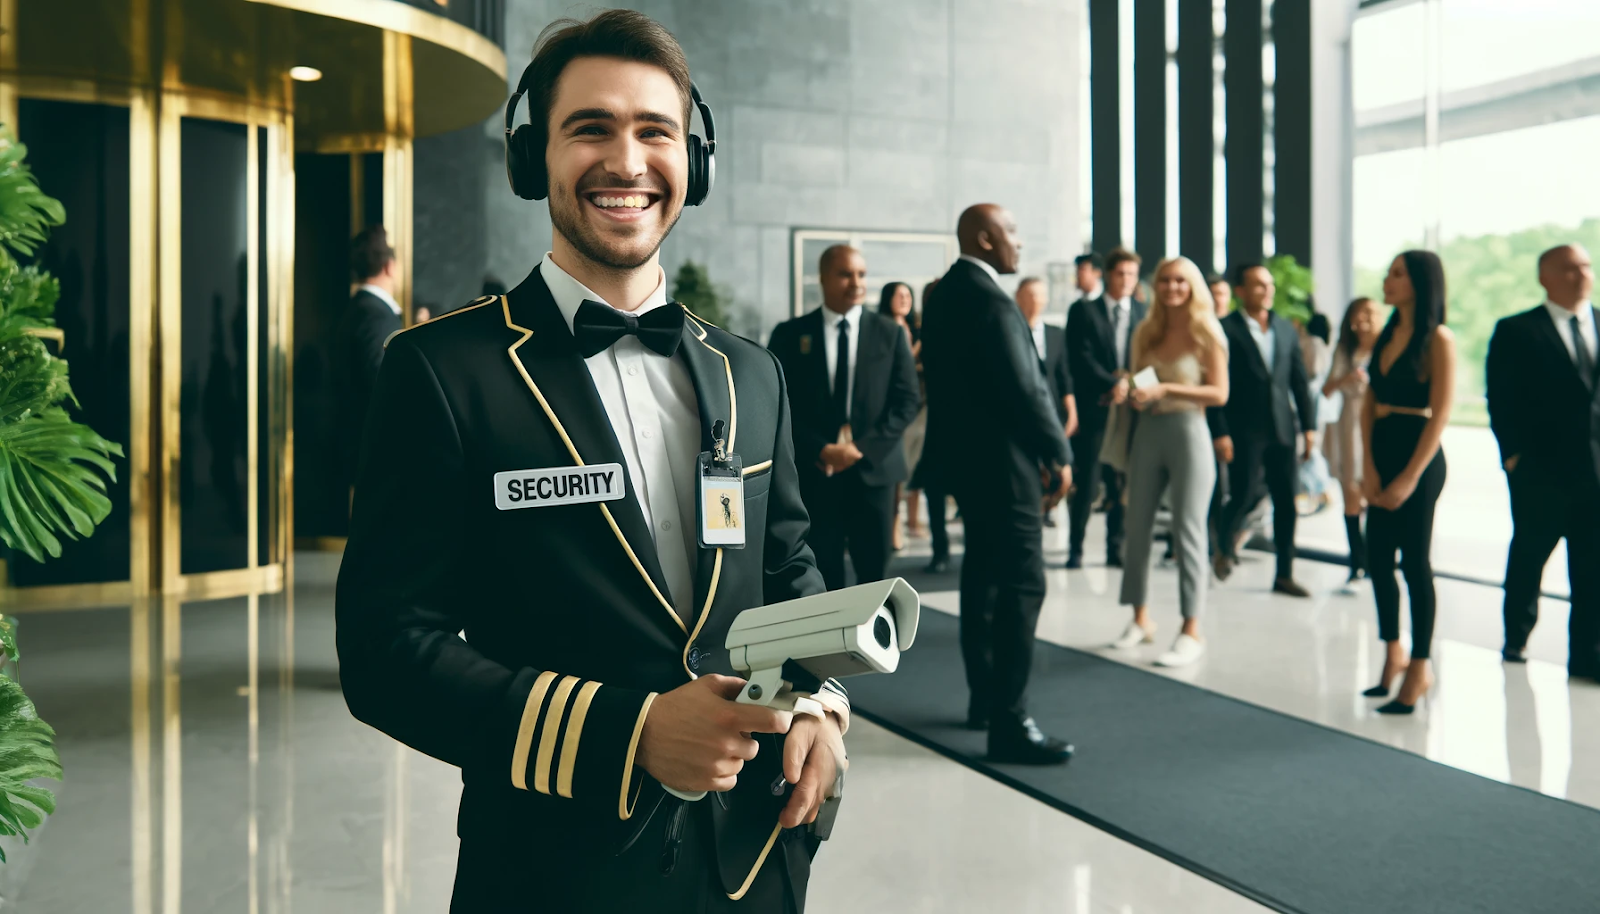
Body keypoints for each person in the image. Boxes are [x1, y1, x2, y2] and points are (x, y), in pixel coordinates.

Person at [336, 12, 850, 911]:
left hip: (754, 863)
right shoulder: (440, 373)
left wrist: (819, 707)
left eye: (656, 131)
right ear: (533, 157)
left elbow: (788, 572)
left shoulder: (752, 375)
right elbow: (385, 650)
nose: (627, 161)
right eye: (591, 128)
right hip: (552, 872)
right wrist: (631, 732)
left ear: (696, 162)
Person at [921, 203, 1073, 764]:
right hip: (1006, 472)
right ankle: (1011, 723)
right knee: (1022, 588)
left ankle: (984, 701)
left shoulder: (944, 295)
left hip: (966, 468)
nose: (1019, 243)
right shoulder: (990, 300)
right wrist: (1058, 452)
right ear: (985, 239)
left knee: (981, 583)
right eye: (1012, 232)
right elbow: (1026, 389)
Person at [768, 246, 919, 591]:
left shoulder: (890, 333)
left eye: (862, 275)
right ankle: (827, 648)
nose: (856, 283)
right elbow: (778, 404)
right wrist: (820, 450)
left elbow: (907, 401)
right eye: (845, 274)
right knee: (821, 576)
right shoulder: (790, 335)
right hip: (817, 475)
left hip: (874, 472)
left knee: (875, 579)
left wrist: (860, 449)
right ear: (822, 278)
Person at [1486, 244, 1600, 681]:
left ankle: (1587, 658)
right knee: (1529, 559)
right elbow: (1501, 399)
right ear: (1545, 277)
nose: (1581, 275)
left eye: (1586, 266)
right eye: (1570, 268)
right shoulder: (1517, 330)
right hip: (1540, 473)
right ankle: (1516, 639)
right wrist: (1513, 458)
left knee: (1592, 570)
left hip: (1595, 475)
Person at [1108, 257, 1228, 667]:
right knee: (1135, 525)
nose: (1172, 287)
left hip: (1189, 433)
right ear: (1155, 286)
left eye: (1180, 280)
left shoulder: (1206, 332)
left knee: (1188, 531)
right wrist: (1132, 389)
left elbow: (1219, 393)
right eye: (1164, 280)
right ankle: (1139, 617)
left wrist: (1166, 389)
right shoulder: (1146, 331)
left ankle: (1191, 629)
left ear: (1192, 285)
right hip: (1149, 432)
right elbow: (1142, 380)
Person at [1359, 250, 1455, 714]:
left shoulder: (1437, 339)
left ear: (1420, 281)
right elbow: (1366, 401)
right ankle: (1392, 650)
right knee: (1377, 559)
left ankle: (1420, 664)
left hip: (1419, 455)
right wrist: (1368, 467)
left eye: (1397, 274)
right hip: (1381, 449)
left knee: (1415, 563)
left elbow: (1441, 416)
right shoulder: (1385, 334)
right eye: (1389, 273)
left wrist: (1409, 478)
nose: (1387, 280)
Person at [1209, 263, 1317, 596]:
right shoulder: (1225, 329)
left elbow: (1298, 381)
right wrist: (1220, 431)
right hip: (1244, 428)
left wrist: (1310, 427)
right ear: (1240, 291)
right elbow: (1215, 383)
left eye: (1268, 284)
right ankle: (1224, 548)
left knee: (1286, 501)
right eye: (1257, 285)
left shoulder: (1285, 329)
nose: (1266, 290)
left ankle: (1284, 573)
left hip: (1283, 428)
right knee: (1241, 494)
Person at [1065, 247, 1147, 569]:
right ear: (1107, 275)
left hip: (1131, 409)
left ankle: (1116, 549)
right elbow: (1079, 357)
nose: (1126, 280)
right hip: (1096, 407)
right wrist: (1111, 384)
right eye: (1120, 274)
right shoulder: (1084, 311)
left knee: (1121, 481)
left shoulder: (1144, 312)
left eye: (1131, 274)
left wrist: (1131, 386)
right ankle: (1076, 548)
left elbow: (1151, 359)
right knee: (1087, 482)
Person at [332, 225, 404, 499]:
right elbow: (383, 383)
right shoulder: (376, 316)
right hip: (375, 449)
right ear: (389, 267)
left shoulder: (357, 310)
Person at [1323, 297, 1380, 585]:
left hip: (1377, 421)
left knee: (1373, 487)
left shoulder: (1386, 346)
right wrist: (1346, 379)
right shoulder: (1345, 350)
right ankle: (1356, 559)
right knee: (1351, 490)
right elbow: (1326, 388)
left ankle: (1374, 556)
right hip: (1349, 422)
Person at [1017, 276, 1078, 527]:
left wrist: (1071, 412)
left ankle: (1047, 507)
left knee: (1059, 470)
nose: (1035, 301)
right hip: (1021, 413)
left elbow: (1064, 375)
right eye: (1029, 295)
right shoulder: (1012, 332)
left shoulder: (1055, 334)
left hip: (1052, 409)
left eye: (1039, 295)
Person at [910, 278, 952, 573]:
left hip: (961, 426)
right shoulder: (926, 332)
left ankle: (946, 551)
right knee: (935, 491)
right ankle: (941, 550)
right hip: (934, 423)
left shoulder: (965, 327)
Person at [878, 281, 922, 549]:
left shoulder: (915, 328)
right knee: (897, 469)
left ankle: (913, 522)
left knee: (913, 467)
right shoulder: (882, 329)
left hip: (919, 406)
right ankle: (893, 524)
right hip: (891, 409)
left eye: (909, 294)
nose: (905, 299)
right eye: (900, 295)